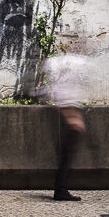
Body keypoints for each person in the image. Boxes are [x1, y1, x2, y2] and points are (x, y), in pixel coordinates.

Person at [42, 53, 88, 201]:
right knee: (65, 155)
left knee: (65, 155)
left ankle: (61, 189)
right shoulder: (69, 64)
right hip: (67, 115)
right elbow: (62, 92)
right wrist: (71, 116)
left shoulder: (66, 64)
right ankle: (60, 190)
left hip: (68, 113)